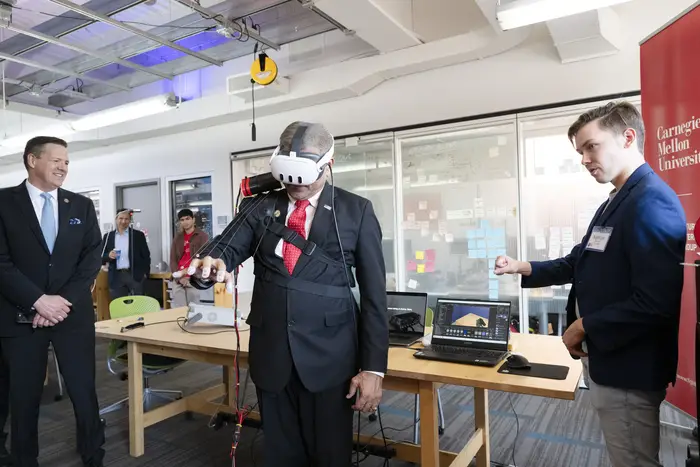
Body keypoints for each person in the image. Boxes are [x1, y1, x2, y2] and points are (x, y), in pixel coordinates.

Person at [183, 122, 388, 467]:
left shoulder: (357, 211)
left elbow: (374, 297)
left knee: (330, 455)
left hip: (331, 357)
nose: (299, 188)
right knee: (279, 453)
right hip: (271, 353)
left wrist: (373, 369)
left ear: (329, 165)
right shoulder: (259, 208)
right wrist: (206, 269)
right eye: (291, 179)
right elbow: (222, 252)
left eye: (307, 178)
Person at [494, 101, 686, 467]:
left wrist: (583, 326)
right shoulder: (616, 200)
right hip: (609, 358)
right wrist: (521, 266)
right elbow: (578, 262)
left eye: (591, 146)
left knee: (633, 460)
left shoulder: (650, 202)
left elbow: (655, 302)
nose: (584, 159)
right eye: (580, 150)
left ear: (627, 138)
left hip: (629, 365)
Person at [0, 136, 105, 467]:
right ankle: (23, 458)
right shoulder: (3, 203)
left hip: (70, 315)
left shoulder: (80, 206)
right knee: (23, 395)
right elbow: (1, 262)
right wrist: (37, 301)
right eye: (56, 160)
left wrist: (60, 301)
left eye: (67, 162)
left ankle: (93, 452)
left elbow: (91, 259)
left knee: (83, 389)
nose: (63, 167)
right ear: (32, 160)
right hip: (20, 317)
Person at [100, 209, 151, 299]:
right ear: (116, 219)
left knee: (138, 306)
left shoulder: (138, 235)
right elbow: (100, 257)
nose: (123, 221)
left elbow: (146, 256)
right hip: (116, 277)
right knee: (119, 307)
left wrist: (145, 273)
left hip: (135, 276)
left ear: (130, 220)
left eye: (126, 219)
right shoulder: (108, 236)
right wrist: (108, 256)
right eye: (121, 218)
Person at [169, 209, 209, 307]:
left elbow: (205, 259)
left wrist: (191, 277)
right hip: (179, 278)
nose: (185, 222)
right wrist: (179, 277)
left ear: (193, 219)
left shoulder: (202, 236)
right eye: (182, 220)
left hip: (194, 279)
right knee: (179, 311)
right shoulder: (178, 238)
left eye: (187, 219)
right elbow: (173, 260)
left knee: (193, 311)